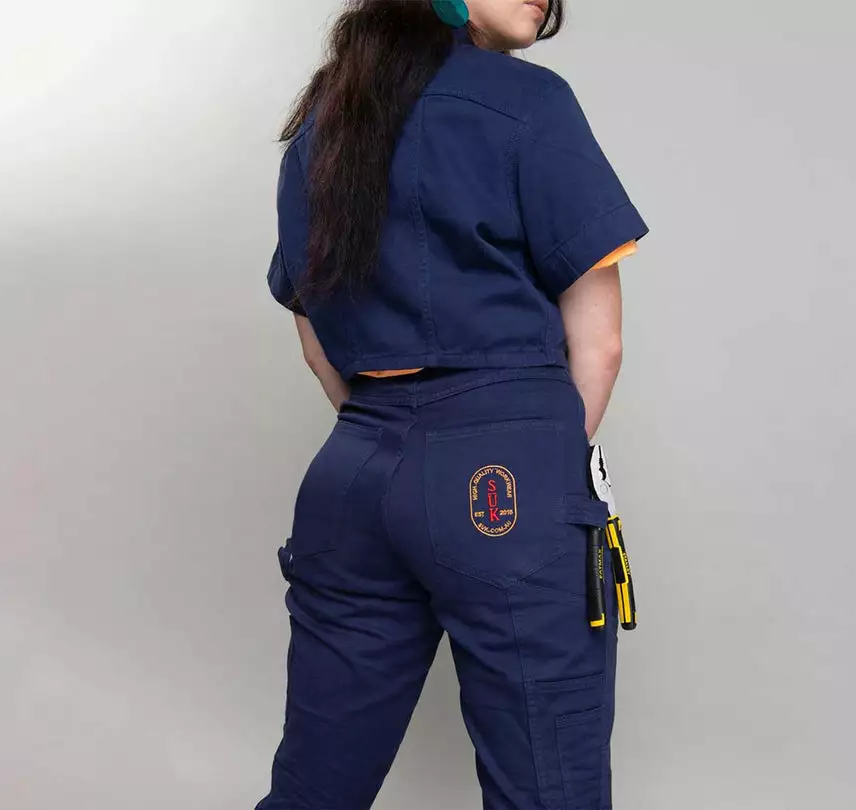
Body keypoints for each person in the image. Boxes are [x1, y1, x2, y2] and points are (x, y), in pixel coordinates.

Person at [255, 1, 649, 808]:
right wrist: (534, 466)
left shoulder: (324, 125)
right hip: (504, 467)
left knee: (314, 790)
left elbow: (313, 332)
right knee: (548, 789)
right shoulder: (527, 101)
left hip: (354, 470)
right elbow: (601, 344)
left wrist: (390, 432)